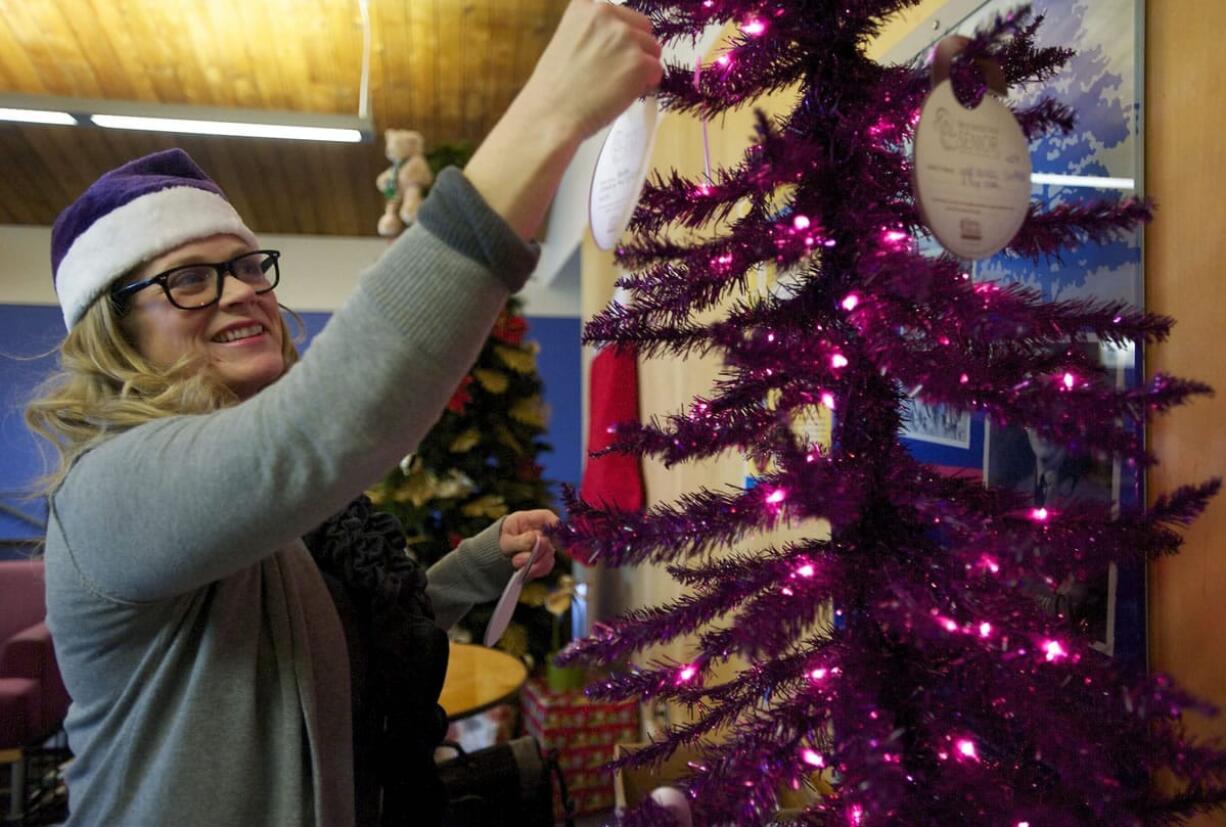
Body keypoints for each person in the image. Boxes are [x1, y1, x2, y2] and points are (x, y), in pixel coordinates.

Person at [24, 3, 663, 825]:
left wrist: (469, 570)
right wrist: (548, 113)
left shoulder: (259, 518)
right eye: (189, 279)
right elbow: (321, 427)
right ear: (114, 332)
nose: (244, 291)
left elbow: (326, 652)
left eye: (247, 265)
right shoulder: (109, 492)